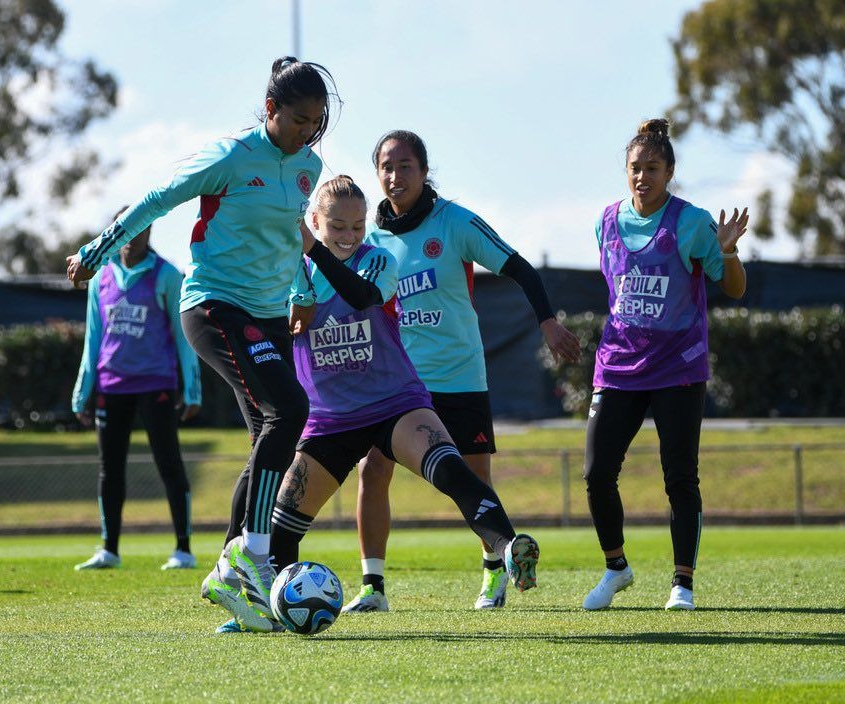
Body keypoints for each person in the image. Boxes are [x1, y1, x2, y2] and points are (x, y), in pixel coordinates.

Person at [66, 57, 339, 631]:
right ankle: (255, 554)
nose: (307, 132)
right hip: (215, 303)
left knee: (270, 435)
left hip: (267, 316)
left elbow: (291, 236)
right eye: (297, 120)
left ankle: (229, 576)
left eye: (316, 123)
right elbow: (158, 198)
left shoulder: (310, 167)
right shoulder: (230, 157)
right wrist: (95, 252)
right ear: (270, 109)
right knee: (290, 410)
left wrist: (303, 290)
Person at [257, 175, 538, 634]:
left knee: (450, 469)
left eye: (357, 226)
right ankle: (274, 612)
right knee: (280, 530)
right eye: (337, 226)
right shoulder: (289, 272)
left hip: (394, 404)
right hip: (329, 421)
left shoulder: (378, 261)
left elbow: (361, 295)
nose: (349, 236)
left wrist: (313, 251)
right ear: (313, 222)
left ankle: (508, 550)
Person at [342, 131, 581, 613]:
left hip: (459, 376)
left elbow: (519, 268)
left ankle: (494, 571)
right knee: (373, 471)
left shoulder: (456, 223)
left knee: (474, 480)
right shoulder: (370, 242)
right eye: (386, 167)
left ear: (425, 170)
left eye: (405, 165)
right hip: (397, 384)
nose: (395, 175)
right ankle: (373, 587)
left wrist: (548, 322)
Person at [581, 119, 748, 612]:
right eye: (635, 168)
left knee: (679, 476)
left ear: (669, 172)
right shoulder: (605, 222)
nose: (642, 177)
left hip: (678, 368)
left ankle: (682, 583)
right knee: (596, 473)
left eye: (652, 168)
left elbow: (734, 288)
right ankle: (616, 569)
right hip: (617, 368)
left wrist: (729, 251)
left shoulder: (693, 223)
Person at [71, 210, 202, 572]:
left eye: (139, 227)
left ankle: (183, 549)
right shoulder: (101, 277)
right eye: (124, 228)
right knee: (109, 469)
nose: (131, 235)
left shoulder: (167, 275)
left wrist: (192, 391)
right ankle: (108, 549)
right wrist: (83, 392)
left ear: (150, 230)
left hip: (156, 385)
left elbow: (184, 336)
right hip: (112, 386)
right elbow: (93, 337)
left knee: (169, 465)